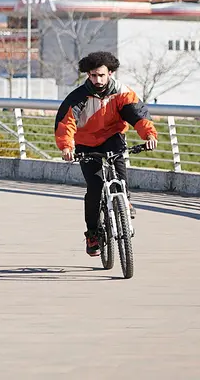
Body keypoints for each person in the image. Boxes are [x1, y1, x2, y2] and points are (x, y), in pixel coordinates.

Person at [54, 52, 158, 257]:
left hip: (112, 137)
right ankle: (93, 234)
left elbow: (138, 115)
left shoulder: (122, 93)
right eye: (93, 76)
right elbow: (66, 123)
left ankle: (124, 200)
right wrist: (67, 147)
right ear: (88, 75)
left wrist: (149, 135)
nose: (98, 80)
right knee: (94, 187)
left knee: (120, 173)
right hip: (86, 143)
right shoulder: (78, 97)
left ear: (110, 73)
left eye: (102, 75)